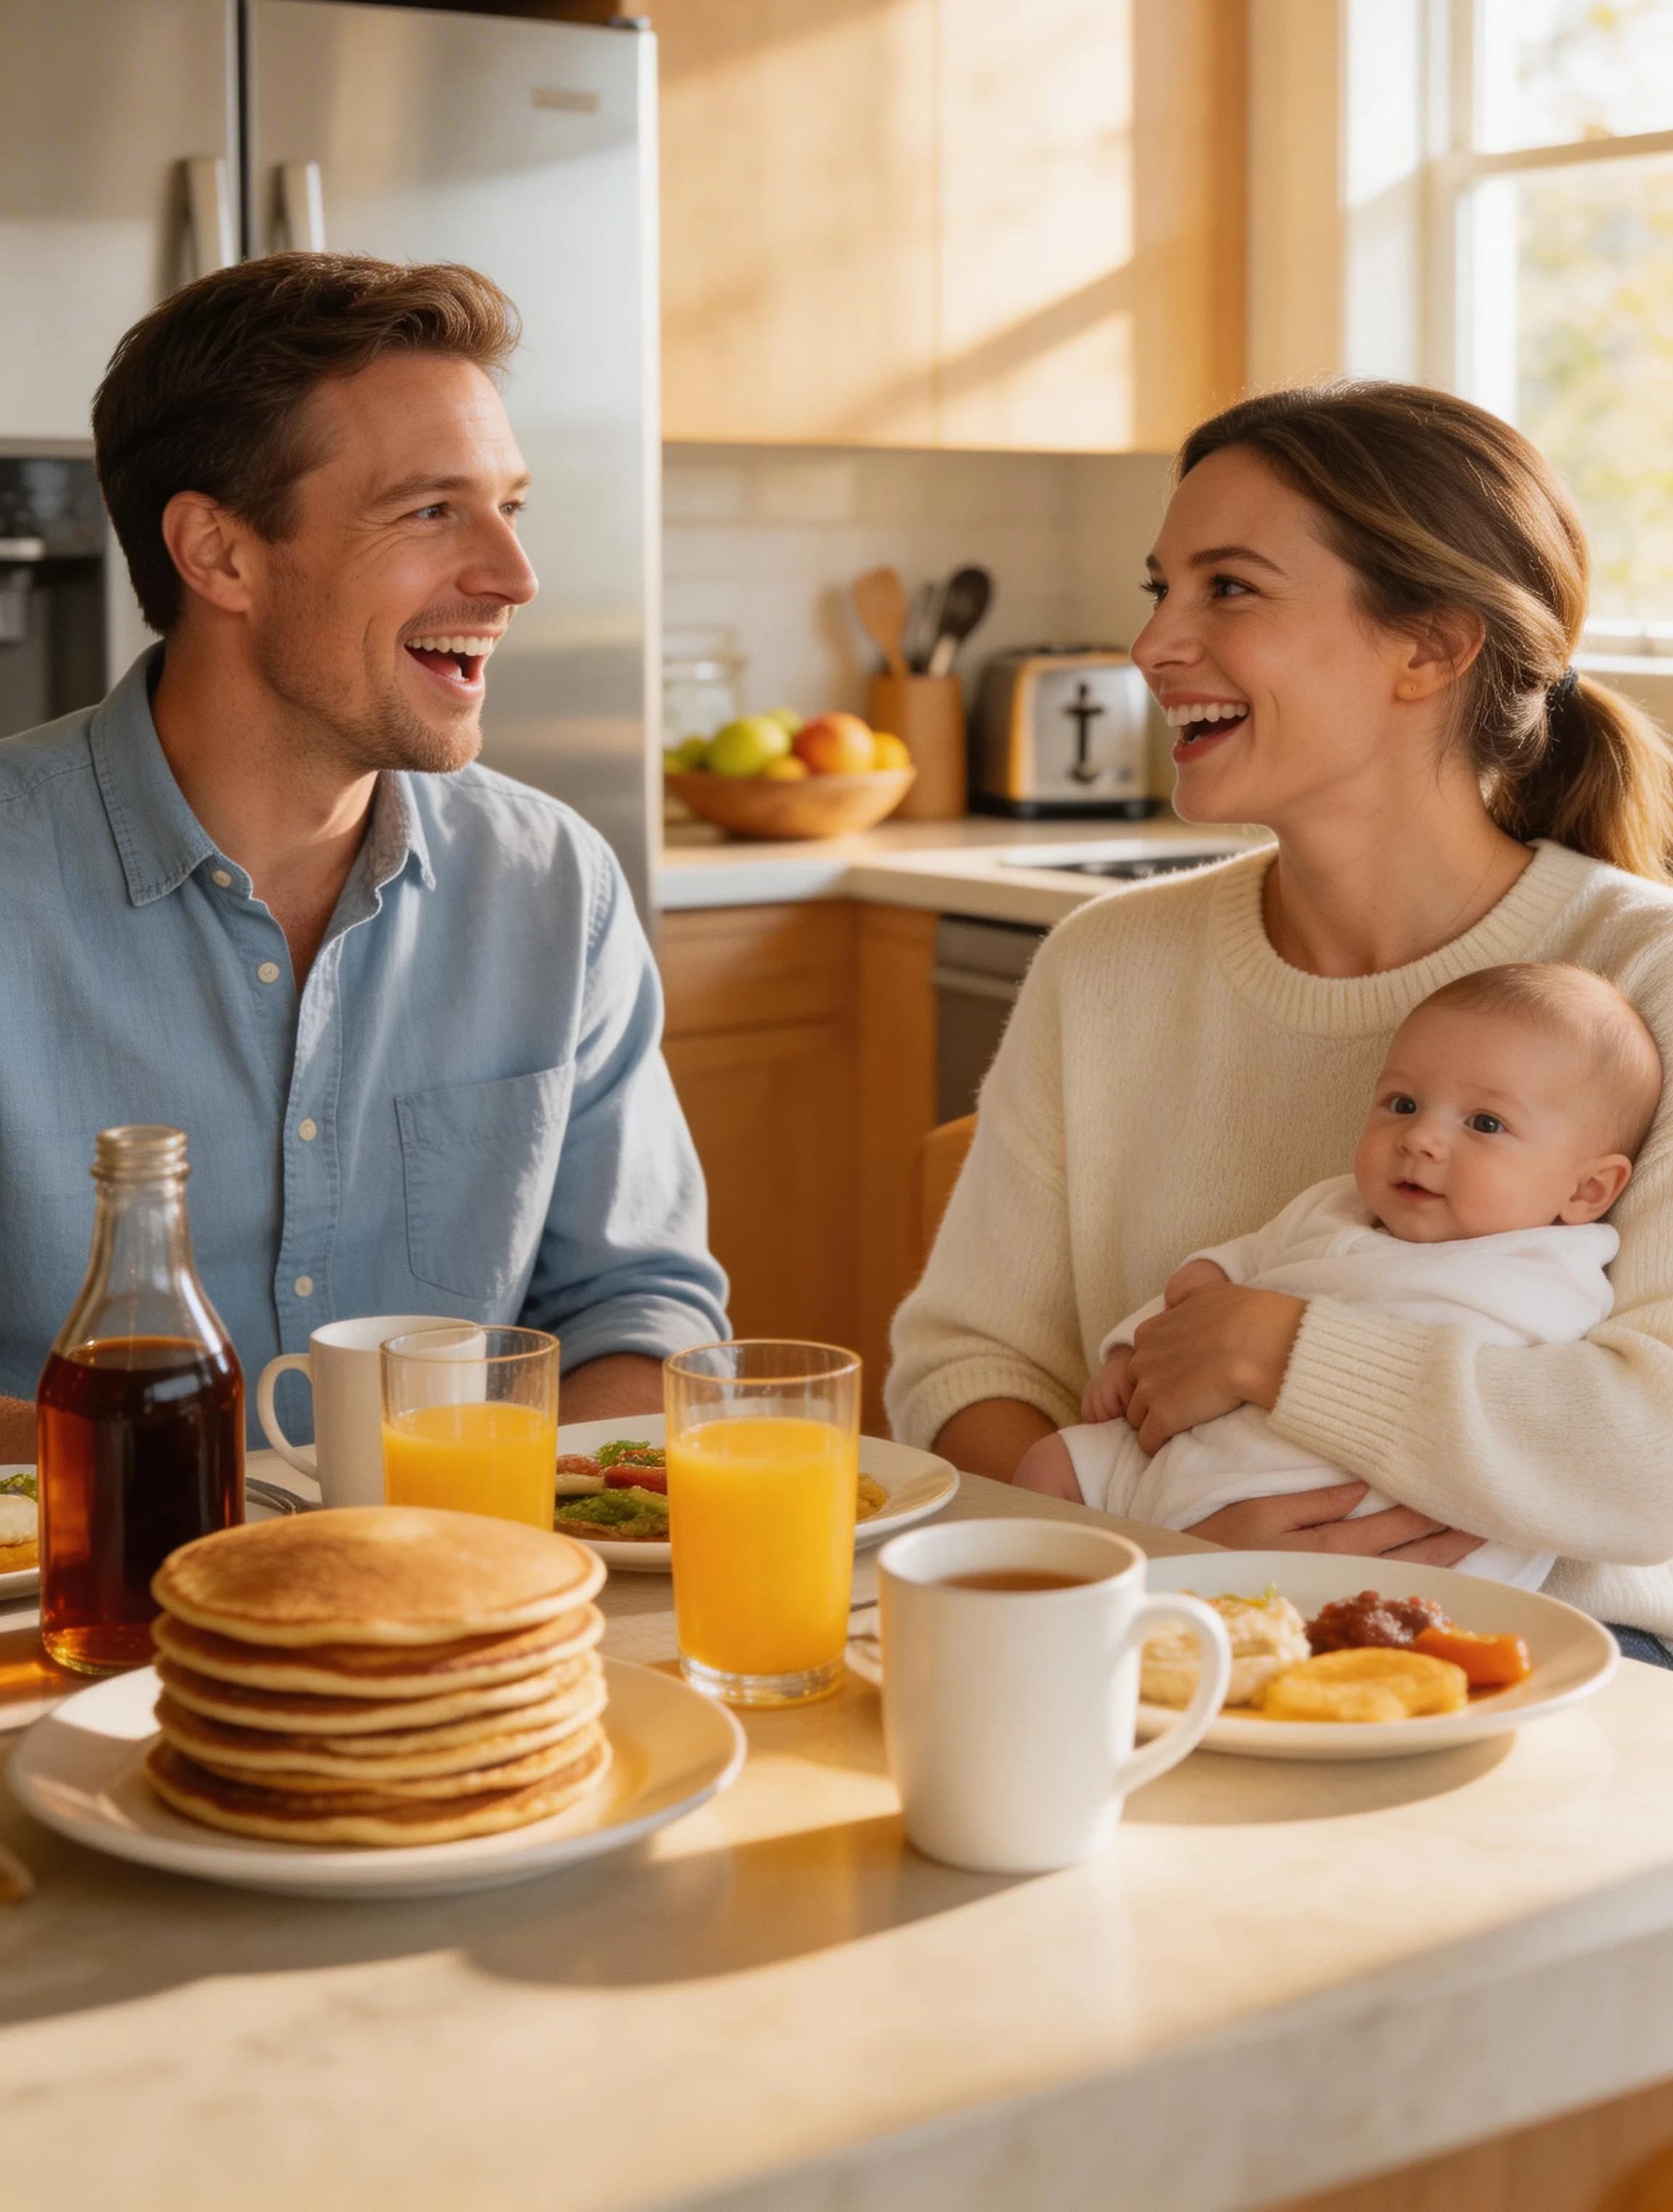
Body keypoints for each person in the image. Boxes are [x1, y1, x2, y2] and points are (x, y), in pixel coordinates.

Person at [886, 380, 1673, 1661]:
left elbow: (1651, 1458)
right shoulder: (1106, 964)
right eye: (1158, 589)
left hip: (1567, 1671)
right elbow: (963, 1366)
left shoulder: (1643, 976)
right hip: (1155, 1635)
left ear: (1429, 646)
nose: (1151, 645)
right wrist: (1178, 1569)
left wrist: (1274, 1343)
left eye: (1228, 588)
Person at [0, 253, 727, 1452]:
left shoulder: (551, 886)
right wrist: (227, 1517)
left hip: (455, 1605)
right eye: (431, 510)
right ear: (219, 554)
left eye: (510, 505)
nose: (513, 574)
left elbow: (635, 1312)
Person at [1015, 962, 1660, 1588]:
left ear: (1588, 1188)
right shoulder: (1332, 1208)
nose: (1421, 1139)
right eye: (1402, 1103)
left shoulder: (1555, 1273)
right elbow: (1214, 1280)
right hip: (1177, 1468)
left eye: (1485, 1123)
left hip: (1370, 1532)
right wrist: (1134, 1352)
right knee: (1050, 1467)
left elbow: (1587, 1437)